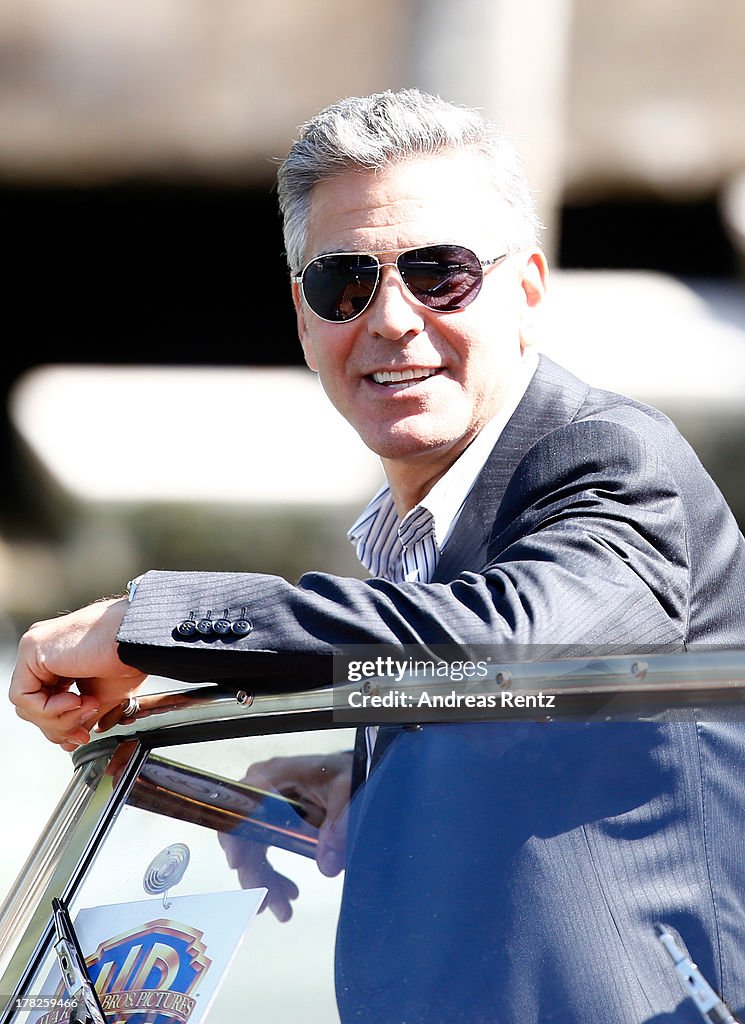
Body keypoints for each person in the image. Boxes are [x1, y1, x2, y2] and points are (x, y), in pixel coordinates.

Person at [9, 89, 745, 1023]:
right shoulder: (426, 530)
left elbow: (517, 645)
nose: (391, 319)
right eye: (345, 283)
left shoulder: (606, 457)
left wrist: (149, 626)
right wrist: (372, 774)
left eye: (439, 273)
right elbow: (530, 709)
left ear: (525, 292)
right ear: (304, 318)